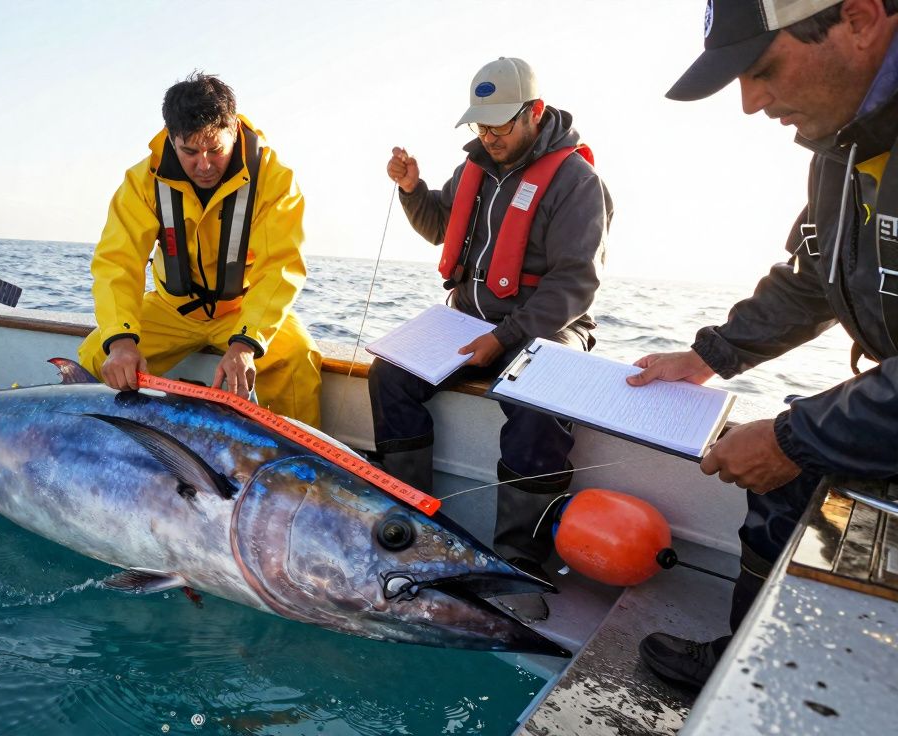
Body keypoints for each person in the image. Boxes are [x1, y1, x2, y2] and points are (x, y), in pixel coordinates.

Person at [635, 0, 898, 691]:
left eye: (764, 69)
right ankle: (746, 670)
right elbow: (815, 277)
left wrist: (791, 438)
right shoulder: (844, 144)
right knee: (785, 487)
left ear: (860, 19)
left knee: (791, 452)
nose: (751, 103)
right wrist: (711, 355)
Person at [369, 57, 612, 619]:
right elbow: (440, 226)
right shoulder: (473, 170)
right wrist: (412, 189)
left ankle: (519, 560)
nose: (490, 136)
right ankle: (410, 525)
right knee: (389, 375)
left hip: (547, 329)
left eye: (501, 124)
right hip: (468, 325)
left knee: (538, 402)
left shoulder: (577, 182)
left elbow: (577, 284)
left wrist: (506, 338)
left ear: (535, 113)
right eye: (481, 125)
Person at [76, 73, 322, 427]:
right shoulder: (141, 182)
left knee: (297, 358)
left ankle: (303, 462)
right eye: (190, 152)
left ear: (233, 129)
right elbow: (117, 262)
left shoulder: (275, 179)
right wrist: (121, 340)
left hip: (242, 309)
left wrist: (246, 343)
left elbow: (280, 266)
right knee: (95, 356)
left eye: (215, 150)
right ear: (171, 137)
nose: (204, 165)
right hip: (170, 309)